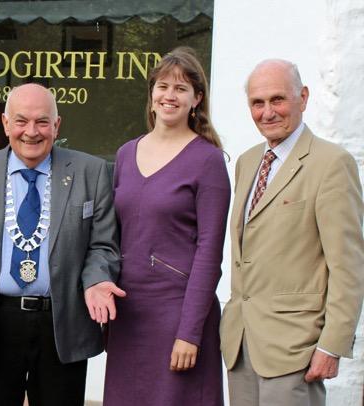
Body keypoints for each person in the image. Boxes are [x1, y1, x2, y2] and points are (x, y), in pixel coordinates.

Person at [0, 83, 124, 406]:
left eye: (42, 122)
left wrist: (97, 279)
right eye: (21, 121)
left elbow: (103, 245)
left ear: (57, 126)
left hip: (62, 324)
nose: (31, 132)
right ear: (5, 123)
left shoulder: (92, 172)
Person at [220, 59, 364, 406]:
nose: (267, 112)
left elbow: (348, 265)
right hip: (241, 343)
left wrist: (332, 345)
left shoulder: (331, 164)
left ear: (303, 97)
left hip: (295, 347)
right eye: (258, 103)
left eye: (277, 100)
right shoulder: (247, 161)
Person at [103, 47, 230, 405]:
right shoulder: (127, 153)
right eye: (162, 86)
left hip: (177, 315)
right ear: (152, 93)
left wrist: (190, 333)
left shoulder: (208, 160)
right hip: (129, 316)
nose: (169, 96)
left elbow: (209, 253)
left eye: (181, 88)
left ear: (197, 99)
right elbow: (111, 238)